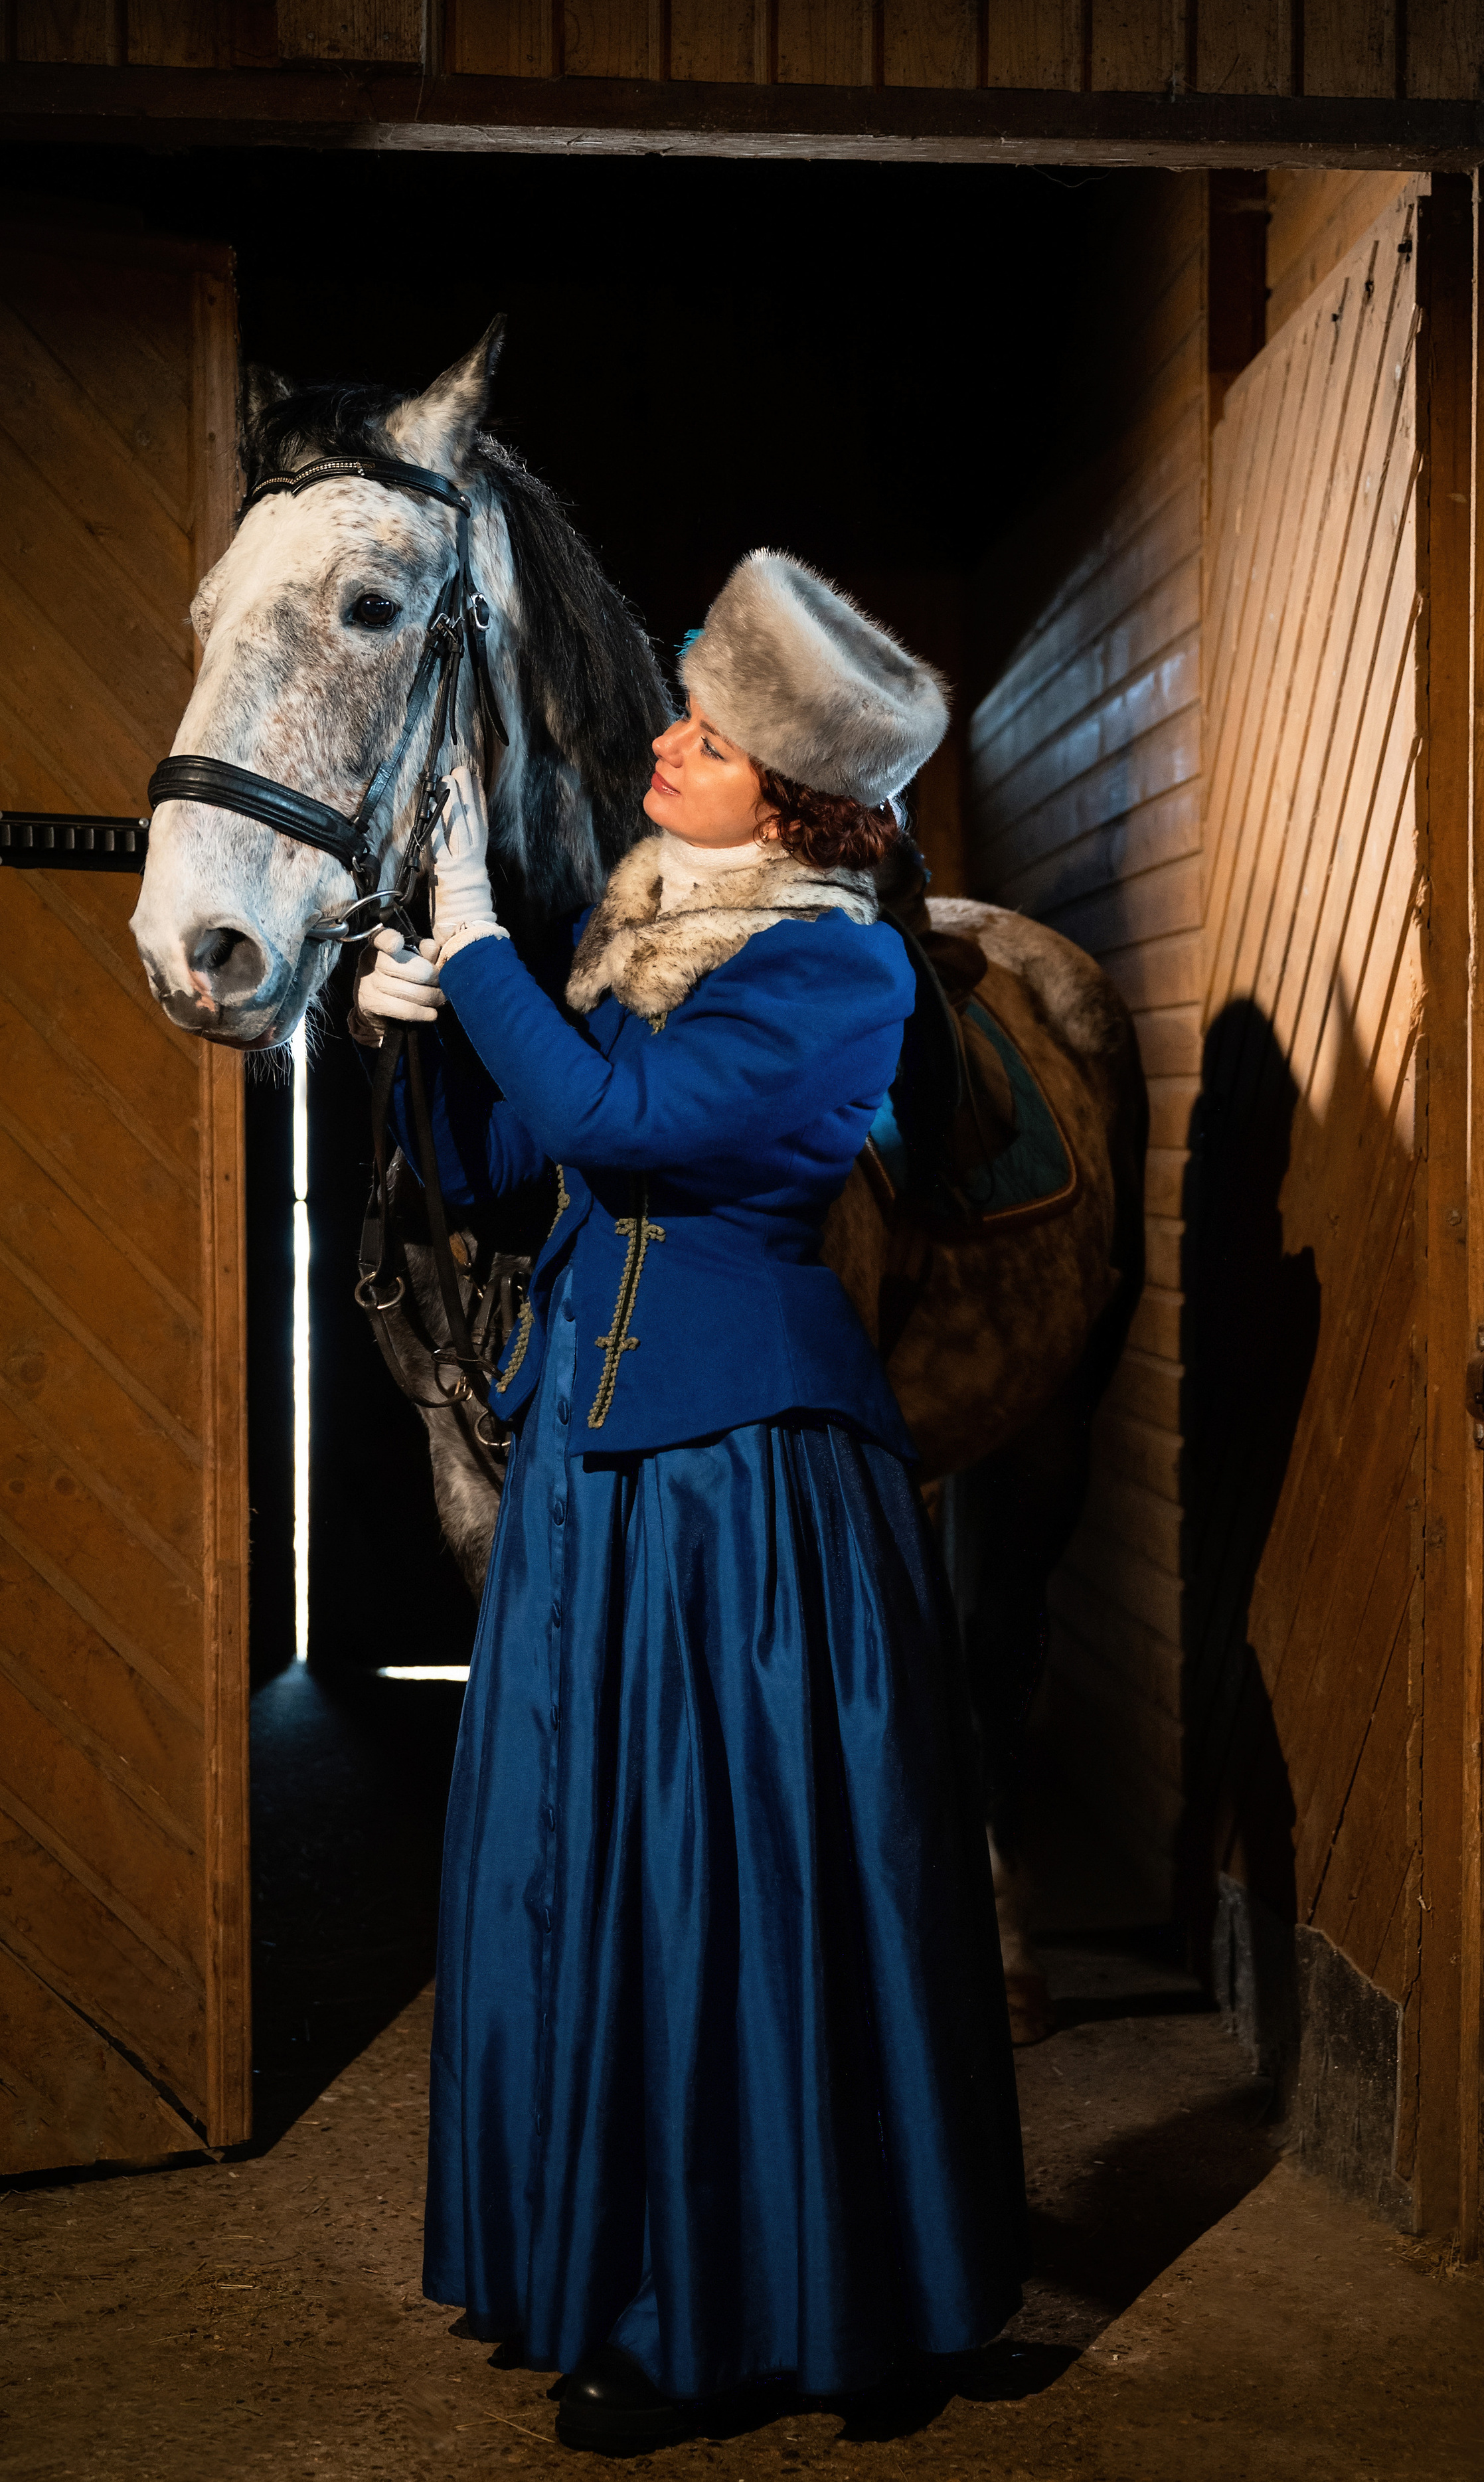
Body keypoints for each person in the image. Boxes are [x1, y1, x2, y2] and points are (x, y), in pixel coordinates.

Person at [357, 550, 1027, 2452]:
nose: (670, 741)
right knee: (595, 1888)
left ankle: (802, 2303)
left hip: (746, 1489)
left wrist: (482, 947)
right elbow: (519, 1172)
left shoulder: (838, 964)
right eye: (684, 711)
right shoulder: (634, 931)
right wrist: (430, 1044)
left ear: (796, 798)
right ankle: (617, 2281)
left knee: (748, 1896)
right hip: (591, 1470)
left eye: (711, 735)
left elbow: (631, 1133)